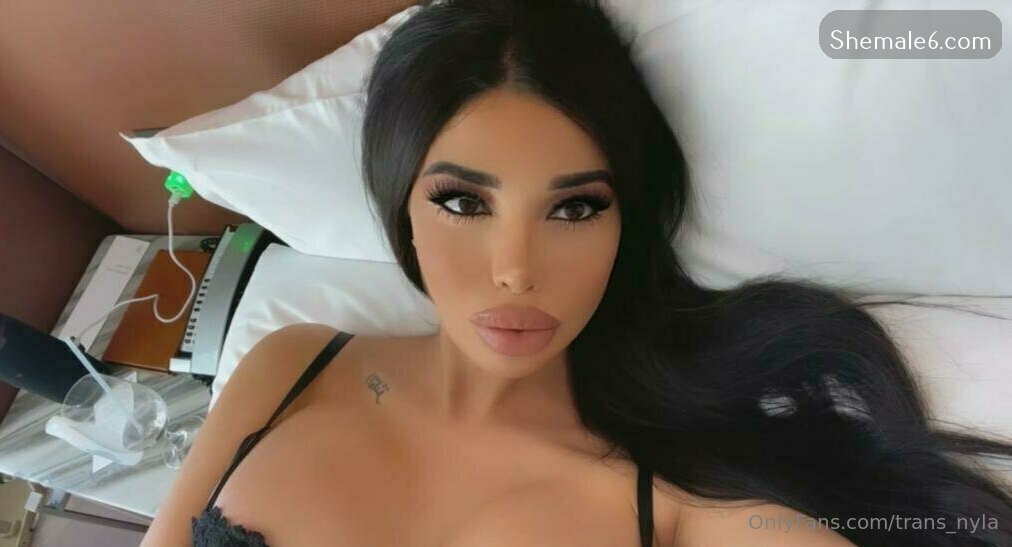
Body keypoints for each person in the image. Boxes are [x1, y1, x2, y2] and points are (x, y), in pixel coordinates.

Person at [142, 1, 1012, 545]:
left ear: (624, 223)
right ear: (400, 202)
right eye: (463, 202)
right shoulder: (291, 364)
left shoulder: (677, 506)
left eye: (573, 208)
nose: (515, 271)